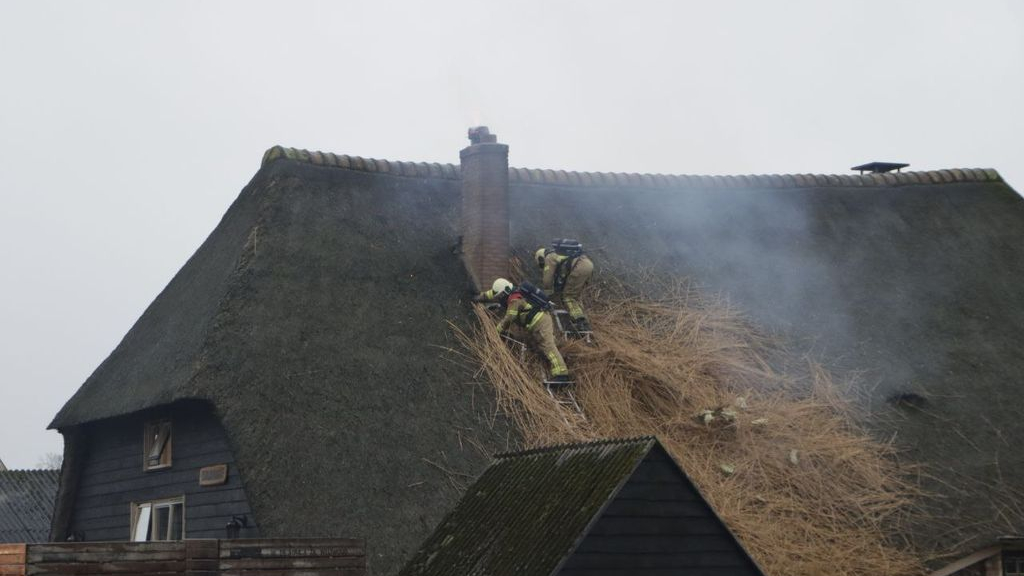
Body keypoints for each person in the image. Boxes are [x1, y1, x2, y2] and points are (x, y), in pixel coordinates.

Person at [473, 278, 571, 386]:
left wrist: (497, 330)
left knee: (548, 345)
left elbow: (510, 317)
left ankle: (562, 374)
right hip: (536, 323)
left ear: (505, 292)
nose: (499, 297)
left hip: (540, 322)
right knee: (542, 346)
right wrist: (479, 297)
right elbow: (493, 293)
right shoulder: (510, 290)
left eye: (501, 295)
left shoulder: (515, 299)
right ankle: (562, 358)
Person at [535, 239, 594, 332]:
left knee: (568, 297)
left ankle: (580, 322)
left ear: (541, 258)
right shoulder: (559, 254)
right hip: (587, 264)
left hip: (580, 267)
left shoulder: (549, 257)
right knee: (575, 296)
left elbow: (547, 280)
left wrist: (547, 295)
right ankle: (580, 318)